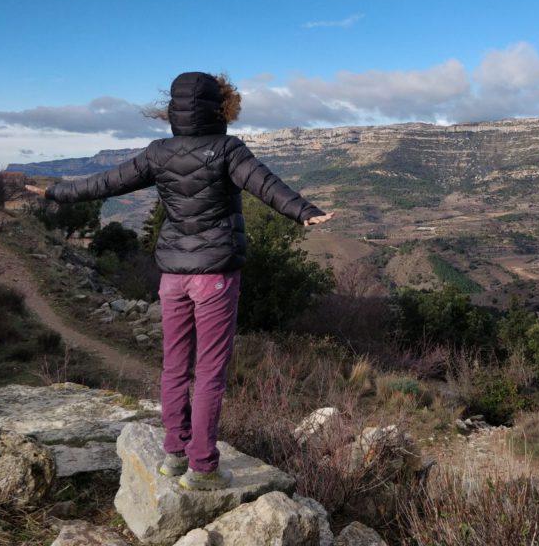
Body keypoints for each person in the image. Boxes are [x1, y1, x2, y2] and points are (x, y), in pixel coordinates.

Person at [26, 71, 333, 490]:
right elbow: (265, 184)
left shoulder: (157, 153)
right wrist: (303, 210)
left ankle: (174, 455)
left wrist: (54, 192)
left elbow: (103, 183)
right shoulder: (227, 149)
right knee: (209, 372)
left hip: (172, 276)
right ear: (221, 107)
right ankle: (203, 467)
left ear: (172, 110)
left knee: (174, 366)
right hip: (215, 278)